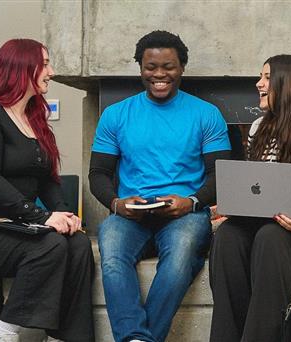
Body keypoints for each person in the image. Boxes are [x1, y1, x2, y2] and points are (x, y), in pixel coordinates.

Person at [0, 39, 93, 342]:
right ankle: (1, 331)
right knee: (48, 245)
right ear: (22, 67)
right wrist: (43, 217)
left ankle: (68, 337)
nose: (51, 72)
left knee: (77, 243)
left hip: (12, 226)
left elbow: (48, 180)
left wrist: (64, 215)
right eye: (45, 64)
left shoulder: (34, 118)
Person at [88, 30, 231, 342]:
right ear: (140, 68)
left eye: (168, 67)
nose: (159, 75)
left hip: (185, 214)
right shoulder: (116, 115)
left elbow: (221, 175)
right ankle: (137, 338)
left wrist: (192, 202)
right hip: (131, 215)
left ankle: (137, 339)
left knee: (181, 256)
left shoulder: (206, 115)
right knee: (111, 251)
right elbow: (98, 174)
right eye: (151, 67)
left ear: (182, 68)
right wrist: (117, 204)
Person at [209, 54, 291, 342]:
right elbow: (257, 186)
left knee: (270, 237)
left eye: (267, 78)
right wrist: (237, 206)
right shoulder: (258, 127)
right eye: (261, 77)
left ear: (288, 83)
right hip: (268, 218)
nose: (259, 84)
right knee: (228, 236)